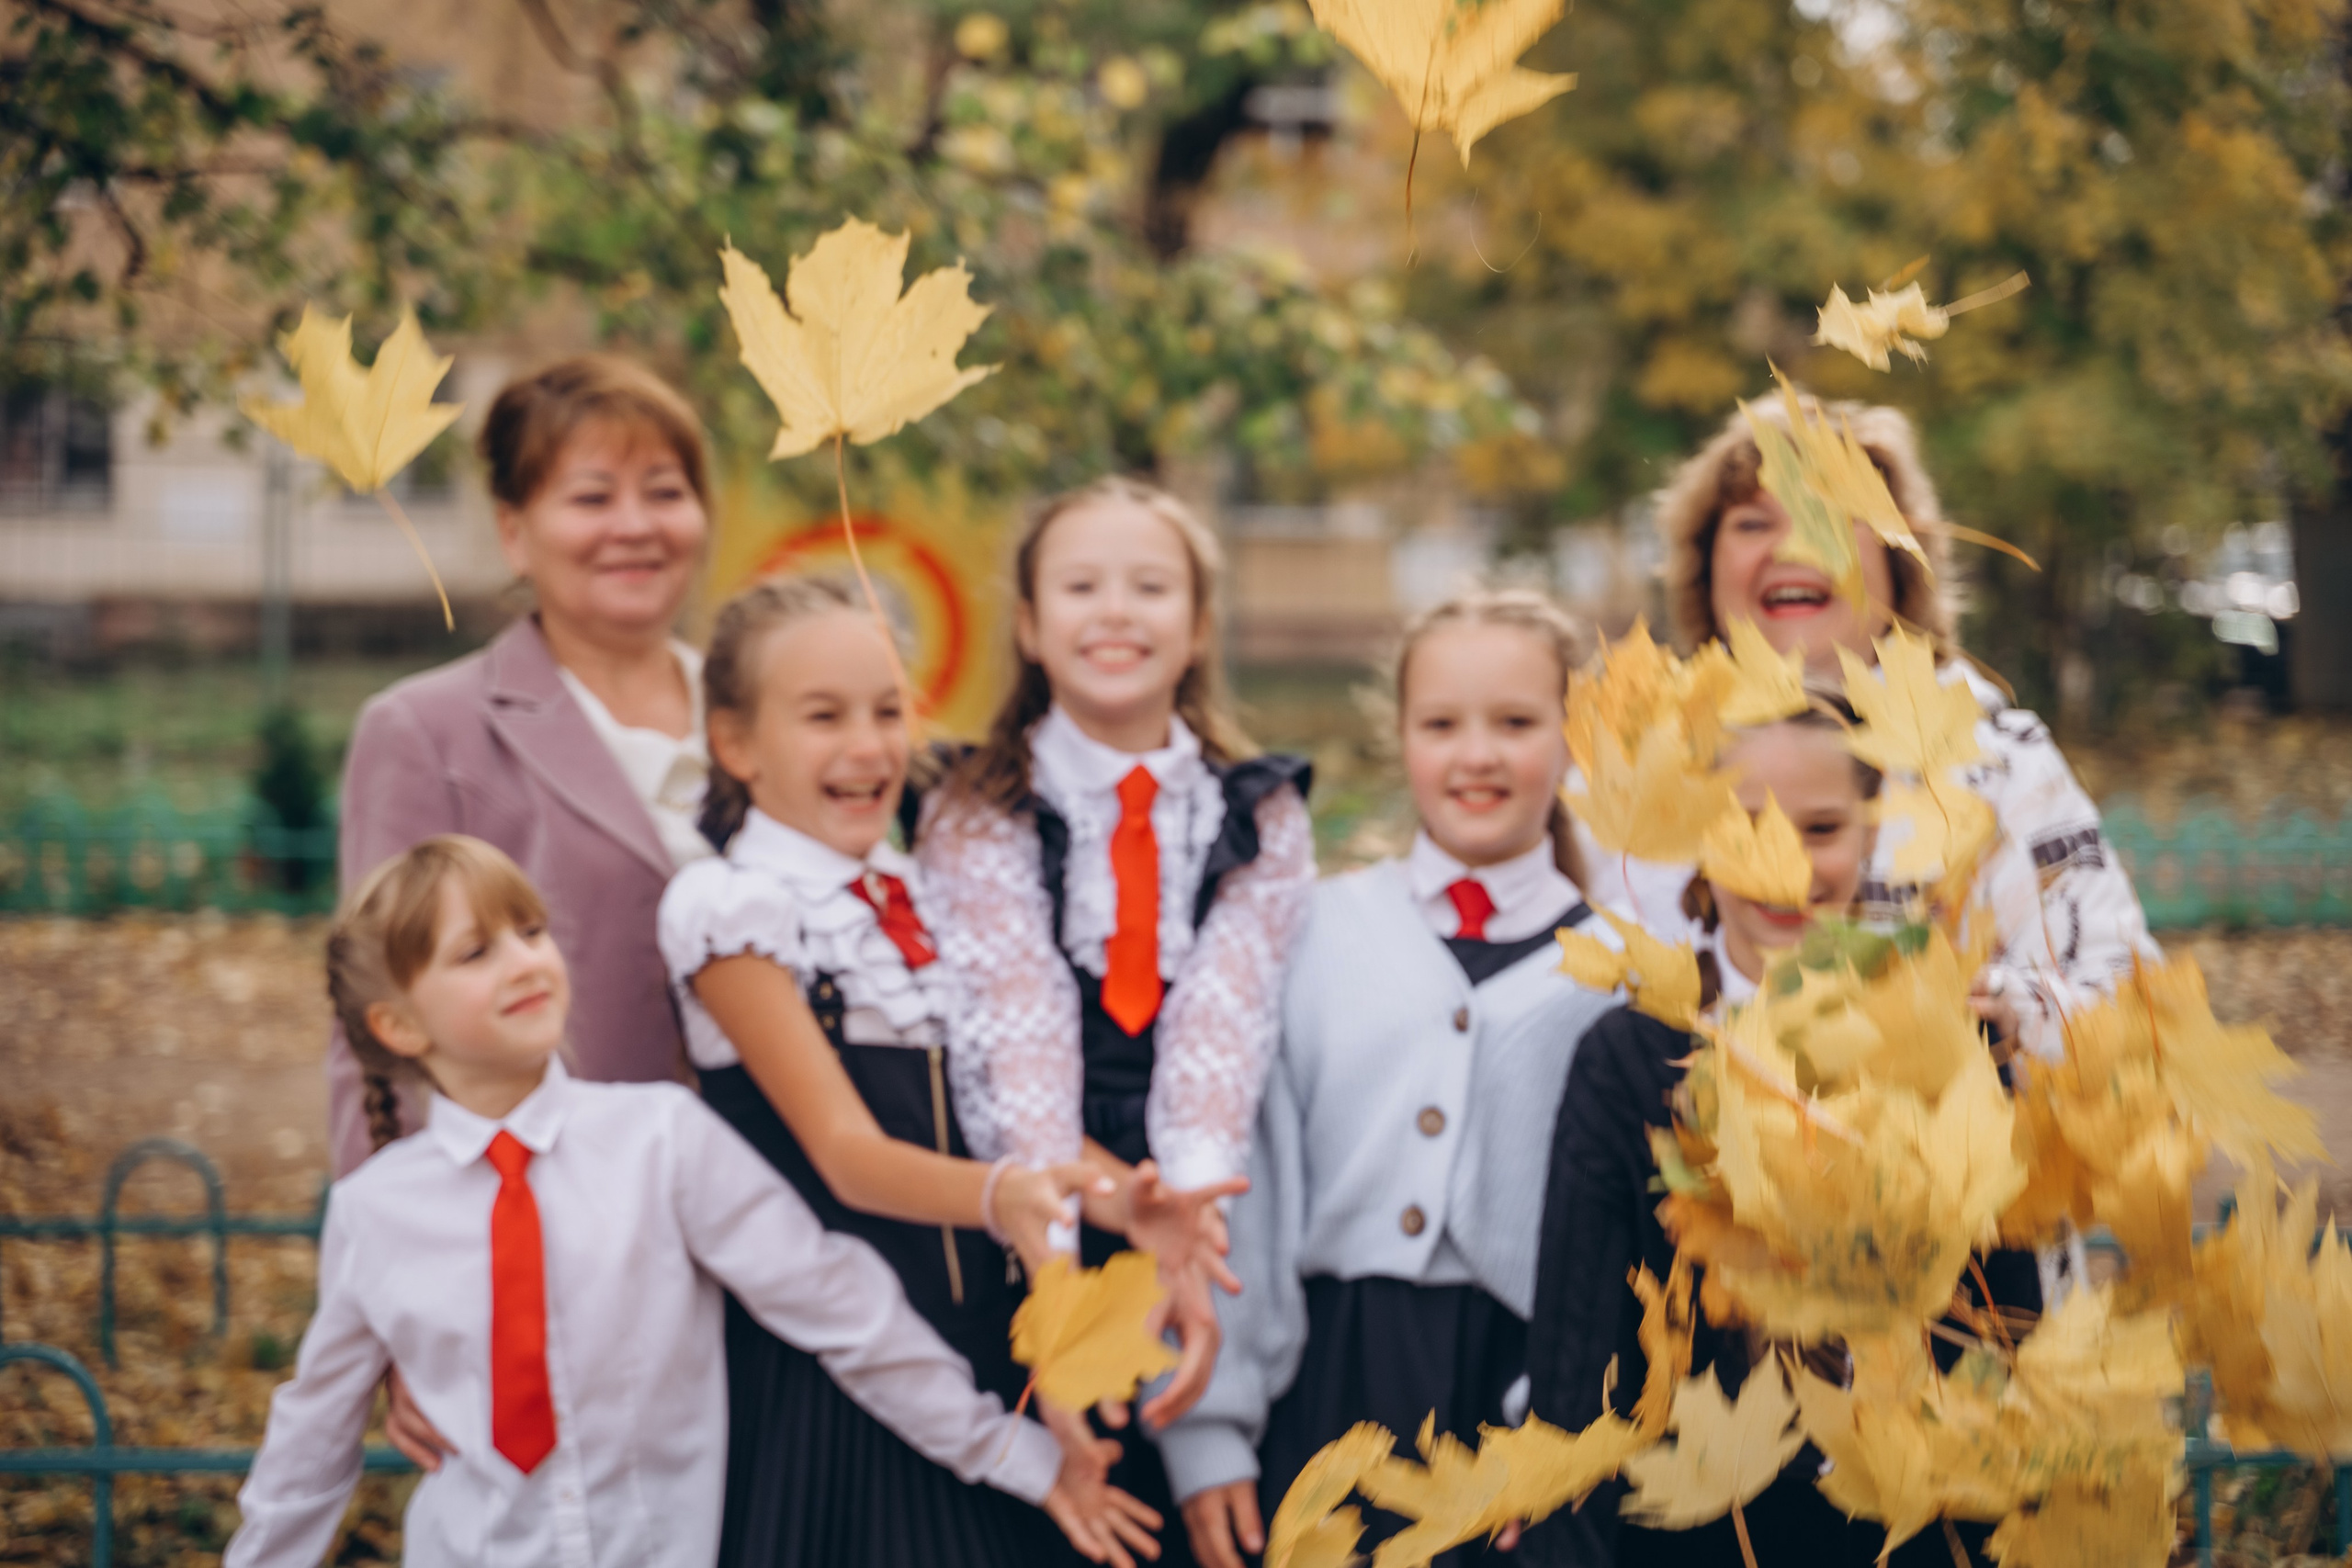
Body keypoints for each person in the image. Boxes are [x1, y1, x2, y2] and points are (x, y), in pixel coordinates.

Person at [228, 836, 1141, 1568]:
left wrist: (1017, 1458)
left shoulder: (663, 1142)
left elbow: (843, 1308)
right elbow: (312, 1443)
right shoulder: (374, 1211)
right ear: (399, 1025)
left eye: (532, 930)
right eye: (477, 951)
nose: (525, 960)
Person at [658, 576, 1194, 1568]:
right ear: (735, 744)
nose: (868, 746)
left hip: (989, 1352)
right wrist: (1006, 1197)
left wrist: (1121, 1202)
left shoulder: (922, 894)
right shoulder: (731, 906)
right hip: (840, 1382)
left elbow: (998, 1112)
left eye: (887, 710)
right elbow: (848, 1153)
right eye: (823, 717)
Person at [1164, 591, 1621, 1568]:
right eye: (1441, 725)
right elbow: (1252, 1183)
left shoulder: (1621, 971)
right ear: (1400, 737)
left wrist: (1566, 1426)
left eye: (1515, 723)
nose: (1477, 755)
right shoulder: (1315, 932)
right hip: (1330, 1381)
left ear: (1574, 737)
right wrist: (1210, 1429)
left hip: (1522, 1407)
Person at [1521, 698, 2029, 1568]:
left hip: (1912, 1528)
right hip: (1695, 1530)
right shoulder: (1633, 1059)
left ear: (1871, 832)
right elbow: (1580, 1351)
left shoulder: (1948, 1042)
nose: (1783, 861)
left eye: (1822, 826)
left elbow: (2008, 1319)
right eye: (1743, 822)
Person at [916, 476, 1318, 1564]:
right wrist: (1062, 1282)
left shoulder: (1258, 811)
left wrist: (1186, 1224)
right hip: (1022, 1199)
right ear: (1029, 626)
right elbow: (1016, 1044)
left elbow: (1220, 1028)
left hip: (1198, 1191)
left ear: (1196, 627)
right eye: (1080, 585)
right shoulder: (974, 806)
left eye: (1150, 587)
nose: (1115, 611)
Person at [1589, 395, 2155, 1064]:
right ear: (1706, 564)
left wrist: (2004, 1011)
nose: (1796, 543)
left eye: (1832, 515)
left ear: (1898, 559)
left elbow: (2127, 1005)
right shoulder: (1630, 759)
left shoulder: (1996, 754)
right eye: (1753, 521)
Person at [326, 355, 718, 1178]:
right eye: (592, 496)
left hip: (790, 1220)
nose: (636, 524)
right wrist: (408, 1228)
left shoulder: (762, 713)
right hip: (559, 1214)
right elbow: (379, 1012)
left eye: (664, 490)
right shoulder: (426, 731)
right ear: (514, 531)